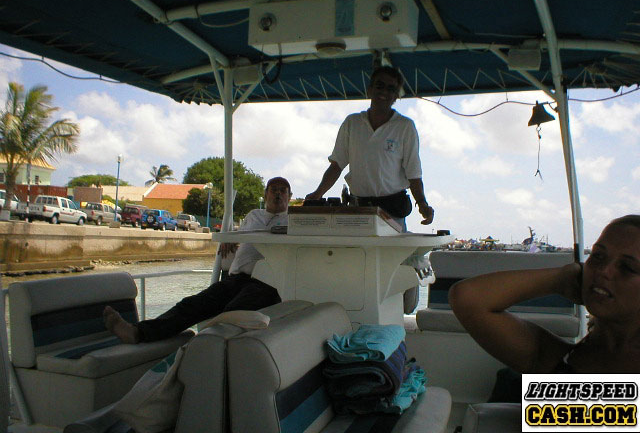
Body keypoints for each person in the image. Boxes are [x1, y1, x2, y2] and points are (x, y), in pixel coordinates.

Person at [104, 176, 293, 344]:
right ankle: (138, 332)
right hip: (236, 278)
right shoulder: (254, 215)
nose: (278, 194)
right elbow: (238, 234)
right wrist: (229, 238)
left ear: (289, 196)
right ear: (266, 194)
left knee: (232, 312)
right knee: (192, 304)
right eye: (273, 190)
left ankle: (201, 349)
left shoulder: (293, 220)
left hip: (267, 282)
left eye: (282, 191)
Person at [449, 215, 640, 373]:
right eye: (597, 256)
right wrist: (561, 279)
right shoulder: (558, 358)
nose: (604, 271)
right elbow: (466, 298)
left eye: (627, 267)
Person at [306, 66, 434, 231]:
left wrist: (423, 205)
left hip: (392, 212)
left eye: (391, 89)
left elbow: (414, 174)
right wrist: (317, 194)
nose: (384, 92)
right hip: (357, 212)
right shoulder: (352, 123)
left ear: (396, 96)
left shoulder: (405, 127)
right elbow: (337, 165)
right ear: (369, 90)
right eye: (379, 86)